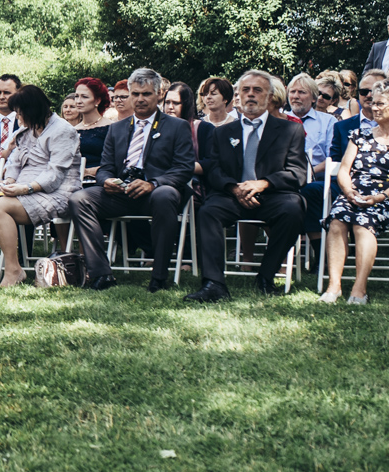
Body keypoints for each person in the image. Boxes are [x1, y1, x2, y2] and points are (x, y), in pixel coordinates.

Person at [69, 68, 198, 292]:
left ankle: (159, 276)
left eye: (146, 94)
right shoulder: (116, 129)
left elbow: (184, 168)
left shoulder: (177, 126)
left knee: (165, 195)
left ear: (159, 95)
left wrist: (153, 183)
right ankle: (101, 274)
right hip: (122, 192)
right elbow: (105, 167)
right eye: (135, 94)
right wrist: (107, 180)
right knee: (79, 199)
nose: (139, 99)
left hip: (157, 192)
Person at [190, 70, 309, 302]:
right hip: (231, 195)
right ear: (237, 96)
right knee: (207, 211)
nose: (251, 95)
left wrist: (263, 184)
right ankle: (213, 283)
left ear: (269, 97)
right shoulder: (222, 132)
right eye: (246, 90)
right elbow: (213, 170)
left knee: (294, 208)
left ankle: (266, 275)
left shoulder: (289, 130)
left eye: (258, 90)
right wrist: (235, 188)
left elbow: (298, 173)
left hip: (272, 195)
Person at [303, 69, 389, 267]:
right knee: (312, 191)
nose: (368, 96)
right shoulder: (345, 127)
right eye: (364, 91)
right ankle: (321, 255)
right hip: (350, 181)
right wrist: (349, 189)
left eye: (374, 92)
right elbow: (337, 161)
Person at [320, 78, 389, 304]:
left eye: (380, 104)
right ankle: (333, 286)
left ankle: (359, 289)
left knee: (362, 222)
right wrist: (348, 192)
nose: (372, 107)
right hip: (353, 193)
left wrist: (379, 197)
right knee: (337, 219)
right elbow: (344, 170)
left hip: (387, 197)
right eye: (372, 103)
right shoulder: (359, 136)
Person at [0, 85, 81, 287]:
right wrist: (9, 181)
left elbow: (55, 174)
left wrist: (25, 188)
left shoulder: (63, 131)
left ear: (33, 110)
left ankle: (14, 270)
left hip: (53, 193)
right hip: (22, 191)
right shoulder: (26, 131)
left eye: (20, 113)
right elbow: (15, 163)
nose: (17, 118)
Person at [288, 73, 337, 182]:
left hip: (317, 177)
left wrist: (309, 172)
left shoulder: (328, 121)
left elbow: (332, 157)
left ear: (314, 98)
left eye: (302, 92)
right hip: (285, 177)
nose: (296, 96)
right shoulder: (280, 119)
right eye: (292, 92)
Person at [69, 77, 112, 182]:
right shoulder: (73, 130)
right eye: (76, 96)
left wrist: (88, 172)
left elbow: (115, 162)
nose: (78, 101)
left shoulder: (111, 127)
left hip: (101, 181)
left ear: (97, 100)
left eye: (84, 97)